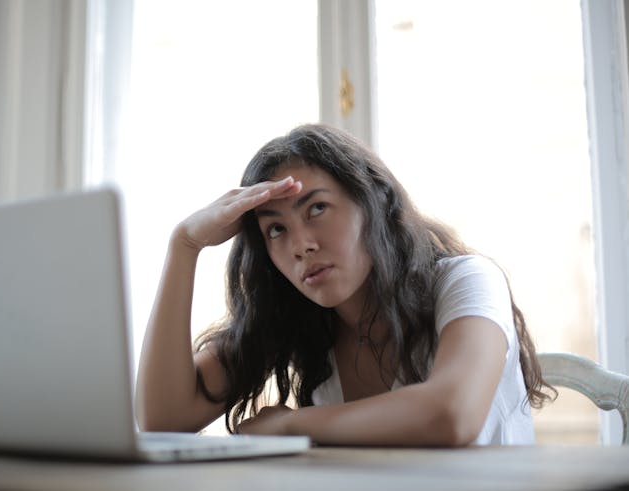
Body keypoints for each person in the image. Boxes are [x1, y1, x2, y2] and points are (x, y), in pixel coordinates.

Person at [135, 123, 554, 446]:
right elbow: (163, 419)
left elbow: (452, 414)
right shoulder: (296, 315)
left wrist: (290, 424)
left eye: (317, 207)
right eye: (276, 230)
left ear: (373, 203)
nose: (301, 245)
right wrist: (184, 245)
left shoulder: (467, 281)